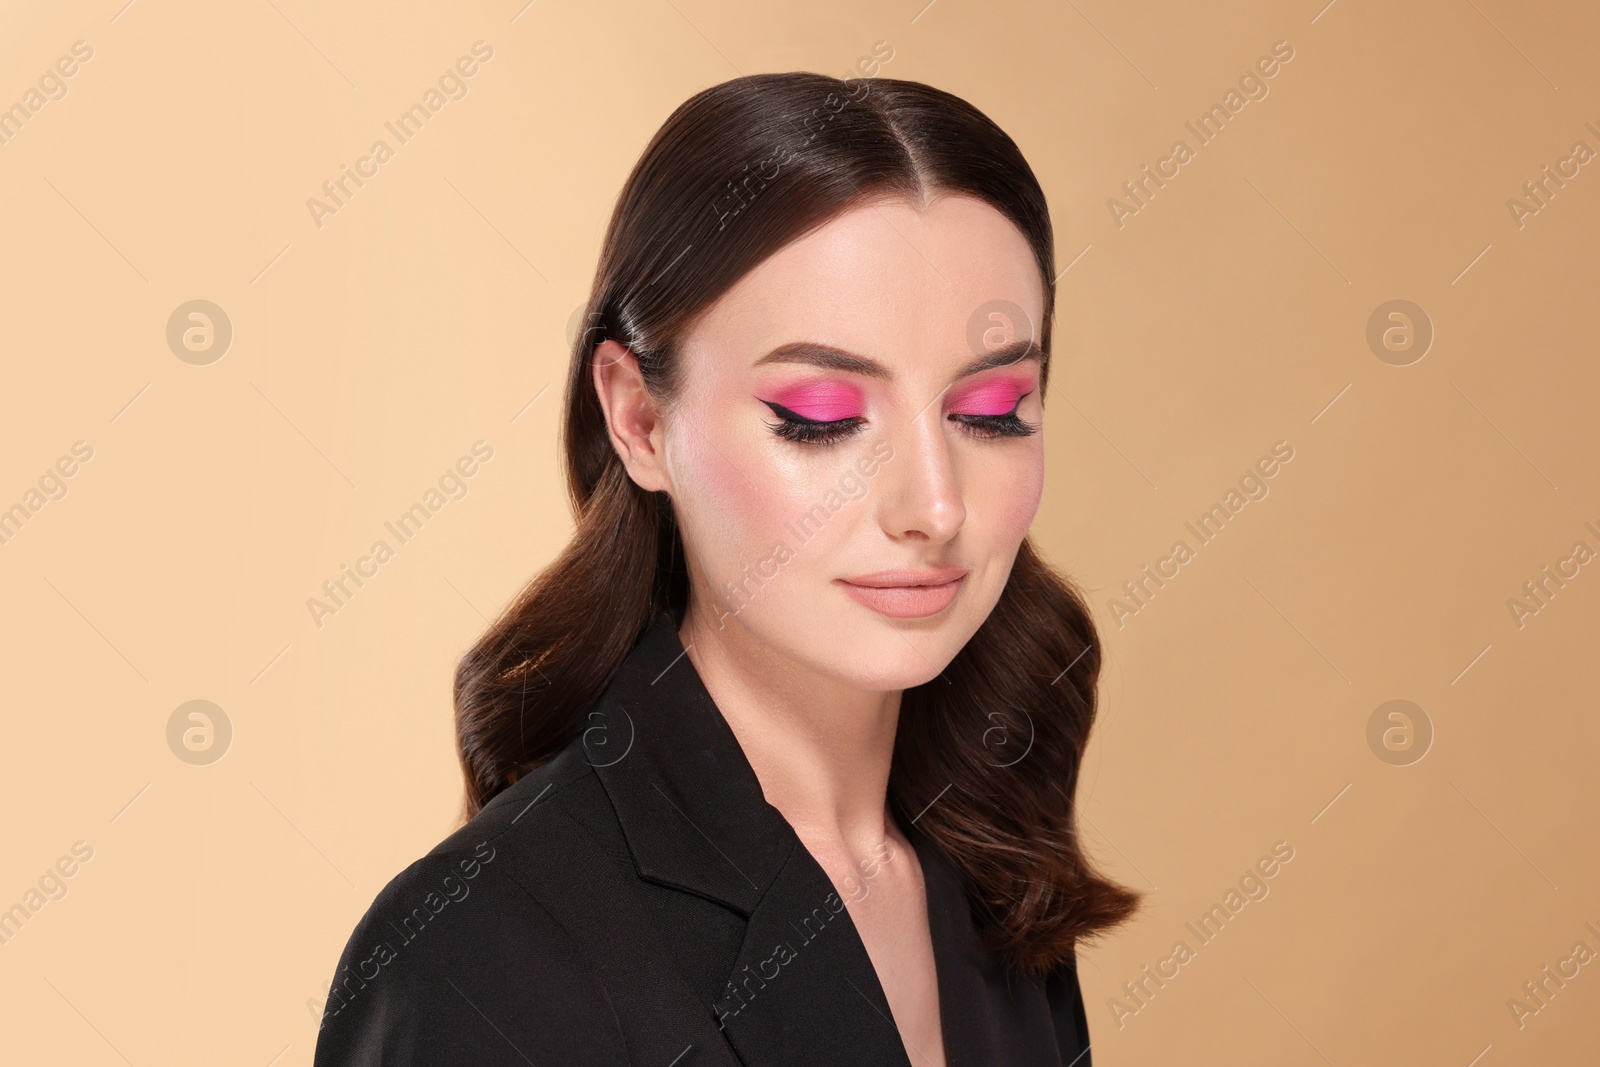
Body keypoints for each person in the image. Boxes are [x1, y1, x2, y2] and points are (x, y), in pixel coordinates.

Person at [312, 70, 1138, 1066]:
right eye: (824, 417)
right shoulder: (476, 948)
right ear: (639, 418)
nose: (935, 504)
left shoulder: (990, 881)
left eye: (992, 409)